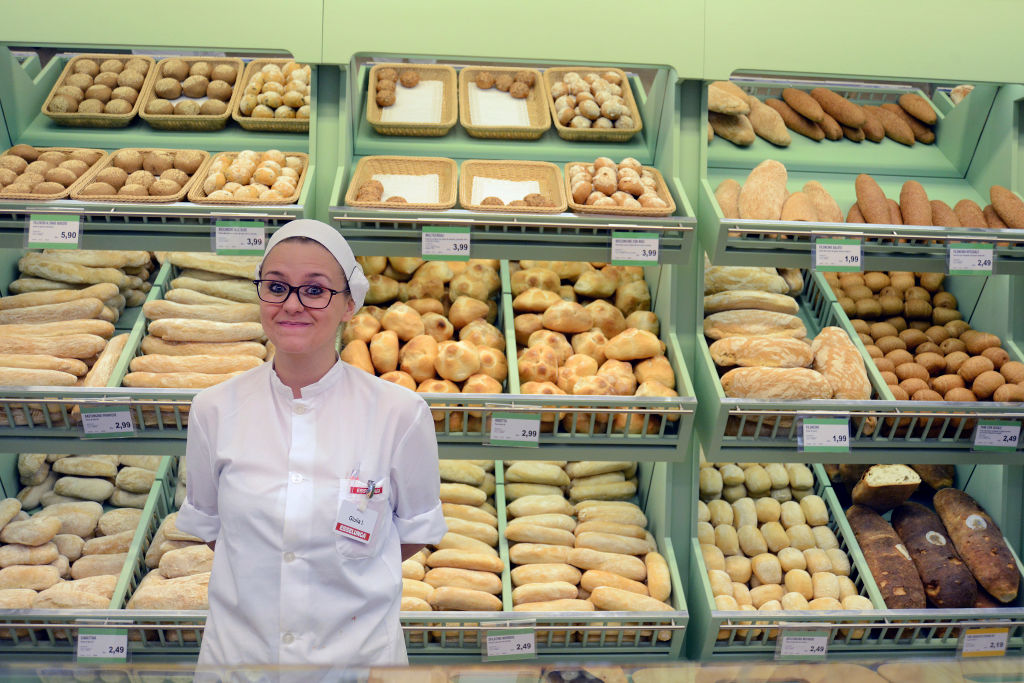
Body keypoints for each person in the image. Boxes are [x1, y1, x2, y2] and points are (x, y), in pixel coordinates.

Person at [176, 219, 447, 673]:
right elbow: (212, 527)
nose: (292, 304)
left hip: (356, 662)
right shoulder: (214, 408)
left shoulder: (399, 413)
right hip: (242, 659)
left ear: (348, 303)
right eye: (276, 287)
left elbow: (415, 531)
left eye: (315, 290)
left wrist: (341, 569)